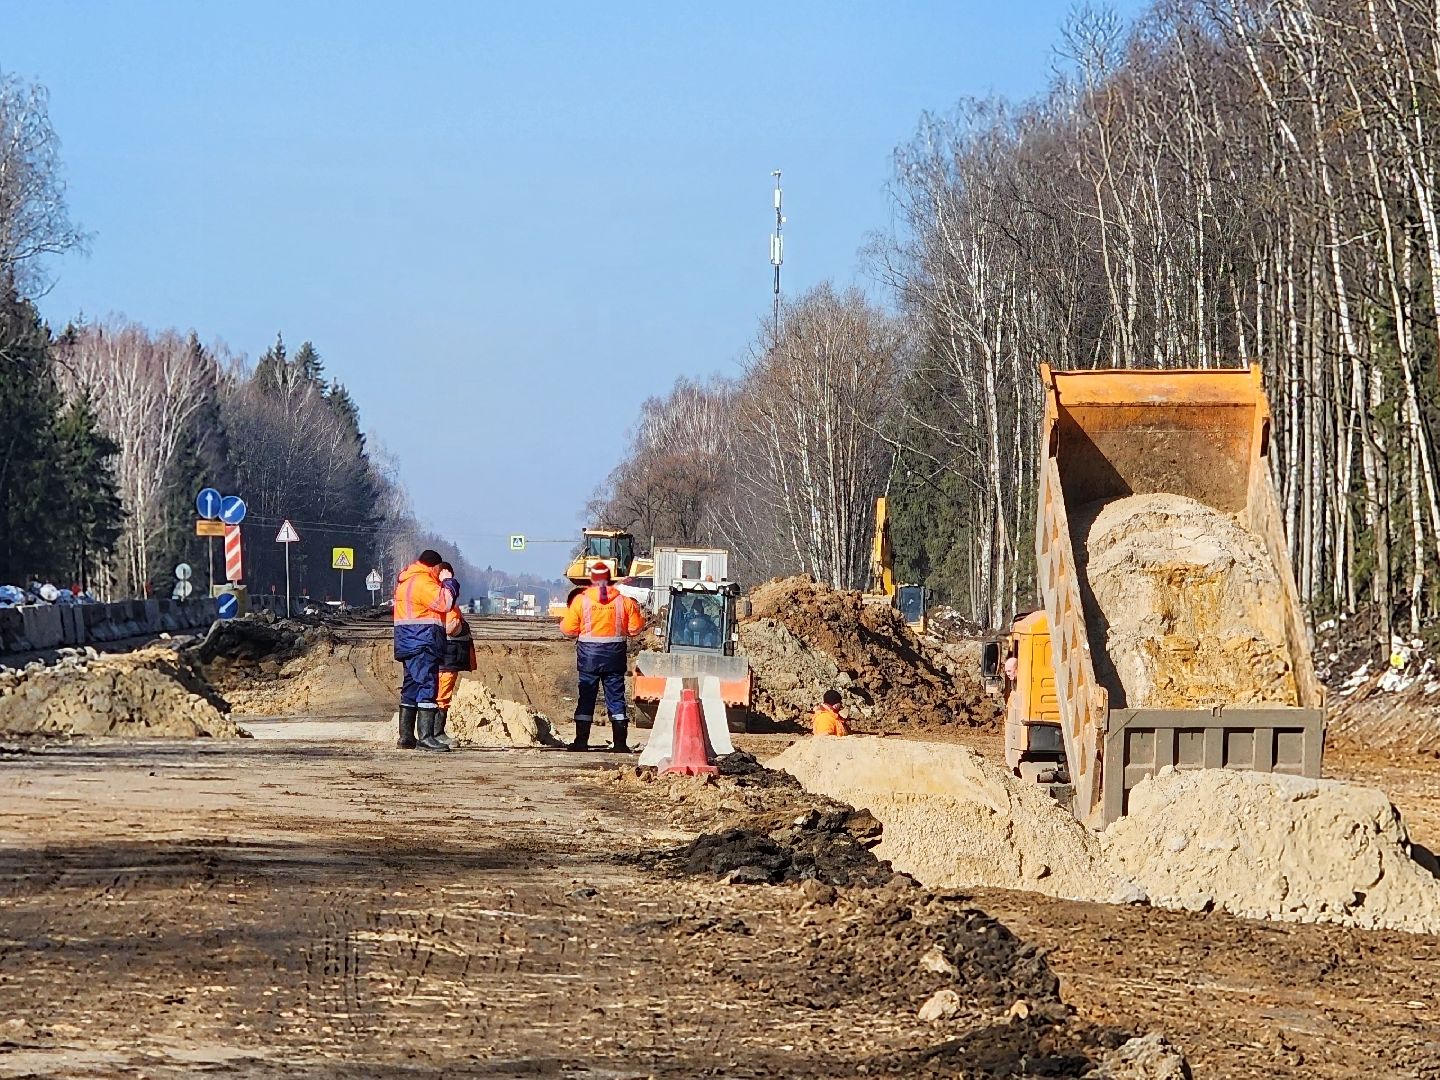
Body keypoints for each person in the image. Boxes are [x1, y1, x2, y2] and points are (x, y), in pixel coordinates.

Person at [560, 561, 645, 752]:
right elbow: (635, 628)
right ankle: (620, 744)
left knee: (586, 698)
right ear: (610, 579)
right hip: (615, 657)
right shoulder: (624, 601)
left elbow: (568, 630)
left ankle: (581, 742)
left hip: (588, 658)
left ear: (592, 579)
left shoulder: (581, 601)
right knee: (616, 698)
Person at [392, 549, 457, 751]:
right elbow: (445, 603)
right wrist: (449, 582)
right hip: (423, 641)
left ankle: (406, 737)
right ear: (434, 566)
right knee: (428, 686)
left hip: (407, 642)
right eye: (439, 569)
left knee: (411, 688)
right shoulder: (423, 582)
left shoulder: (405, 582)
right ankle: (426, 737)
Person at [434, 562, 477, 749]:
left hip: (445, 656)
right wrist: (458, 628)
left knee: (436, 693)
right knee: (441, 696)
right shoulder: (445, 604)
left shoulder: (436, 600)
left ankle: (428, 732)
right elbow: (450, 627)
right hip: (447, 657)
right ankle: (436, 733)